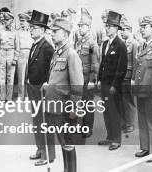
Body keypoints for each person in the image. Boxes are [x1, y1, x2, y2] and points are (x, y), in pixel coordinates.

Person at [35, 17, 84, 167]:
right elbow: (57, 78)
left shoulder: (71, 54)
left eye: (56, 31)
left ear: (65, 34)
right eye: (52, 31)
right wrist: (48, 86)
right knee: (62, 140)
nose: (52, 34)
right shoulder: (57, 54)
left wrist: (74, 109)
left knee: (66, 142)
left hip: (63, 108)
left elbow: (77, 84)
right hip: (53, 105)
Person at [132, 15, 152, 162]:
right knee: (143, 120)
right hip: (141, 91)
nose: (141, 30)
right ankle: (145, 148)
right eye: (141, 27)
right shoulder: (142, 46)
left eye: (145, 27)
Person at [97, 10, 127, 151]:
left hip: (113, 86)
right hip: (104, 84)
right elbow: (102, 63)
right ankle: (109, 137)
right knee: (106, 111)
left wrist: (115, 85)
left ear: (116, 28)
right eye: (106, 25)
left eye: (110, 26)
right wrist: (98, 79)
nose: (107, 28)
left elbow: (122, 68)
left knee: (114, 112)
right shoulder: (104, 44)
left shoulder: (120, 45)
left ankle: (116, 139)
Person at [26, 10, 55, 161]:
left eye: (34, 28)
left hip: (42, 91)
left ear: (43, 30)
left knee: (44, 122)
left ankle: (47, 155)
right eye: (30, 27)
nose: (31, 30)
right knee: (37, 121)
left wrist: (46, 86)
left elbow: (52, 71)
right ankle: (40, 149)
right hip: (33, 89)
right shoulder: (35, 45)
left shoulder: (47, 47)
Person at [73, 8, 99, 138]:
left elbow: (95, 64)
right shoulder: (78, 42)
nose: (80, 28)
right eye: (79, 26)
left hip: (87, 78)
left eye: (82, 26)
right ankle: (82, 126)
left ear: (88, 28)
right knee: (80, 103)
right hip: (79, 79)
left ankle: (88, 128)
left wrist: (92, 80)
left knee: (88, 104)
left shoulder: (92, 43)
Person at [119, 15, 138, 134]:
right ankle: (125, 123)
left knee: (129, 102)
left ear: (130, 30)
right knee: (122, 101)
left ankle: (130, 124)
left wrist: (134, 78)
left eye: (124, 29)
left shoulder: (134, 44)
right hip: (122, 77)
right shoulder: (122, 44)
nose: (122, 32)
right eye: (121, 29)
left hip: (129, 77)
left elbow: (136, 62)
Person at [0, 12, 18, 101]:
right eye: (5, 20)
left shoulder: (15, 32)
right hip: (2, 54)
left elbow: (17, 46)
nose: (5, 21)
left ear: (11, 20)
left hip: (11, 54)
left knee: (10, 78)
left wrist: (15, 58)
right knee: (1, 78)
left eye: (7, 20)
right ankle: (2, 98)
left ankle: (9, 98)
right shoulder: (0, 31)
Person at [16, 11, 33, 99]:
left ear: (28, 21)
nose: (21, 23)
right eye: (20, 21)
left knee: (29, 77)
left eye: (23, 21)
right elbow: (17, 46)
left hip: (31, 54)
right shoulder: (18, 32)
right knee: (21, 78)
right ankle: (20, 96)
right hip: (21, 54)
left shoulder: (32, 31)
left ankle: (27, 96)